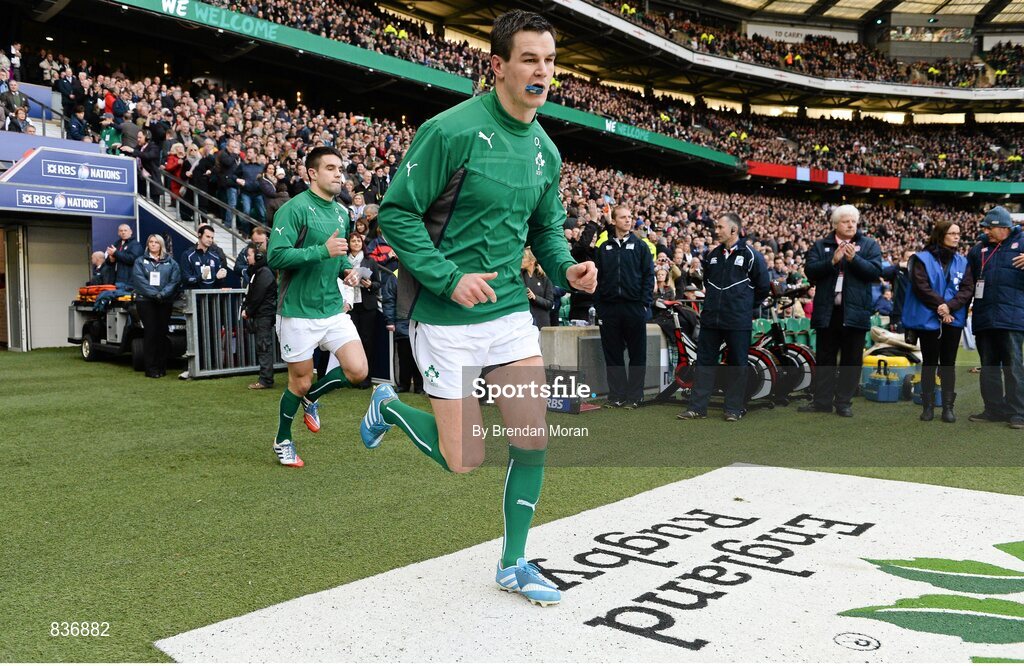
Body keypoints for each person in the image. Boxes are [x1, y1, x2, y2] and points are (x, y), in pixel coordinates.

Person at [364, 10, 597, 608]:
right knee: (463, 459)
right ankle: (388, 408)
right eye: (529, 59)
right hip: (445, 317)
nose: (542, 71)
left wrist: (564, 266)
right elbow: (396, 214)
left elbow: (545, 228)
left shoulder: (547, 150)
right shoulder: (451, 130)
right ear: (498, 66)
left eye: (549, 60)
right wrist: (448, 278)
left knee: (531, 438)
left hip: (512, 314)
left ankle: (514, 562)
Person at [266, 146, 367, 467]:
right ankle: (283, 438)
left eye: (341, 169)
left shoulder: (341, 212)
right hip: (297, 312)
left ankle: (313, 398)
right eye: (332, 168)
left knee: (358, 371)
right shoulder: (293, 209)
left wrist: (346, 271)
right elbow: (276, 257)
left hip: (333, 310)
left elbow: (334, 256)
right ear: (312, 173)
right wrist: (321, 251)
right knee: (300, 381)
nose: (340, 174)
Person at [678, 212, 769, 422]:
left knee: (738, 364)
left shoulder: (752, 255)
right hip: (711, 319)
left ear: (734, 230)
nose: (715, 230)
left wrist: (745, 306)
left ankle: (734, 408)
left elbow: (763, 287)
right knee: (704, 363)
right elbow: (708, 281)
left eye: (720, 227)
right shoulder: (712, 255)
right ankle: (697, 408)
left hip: (738, 320)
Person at [799, 204, 882, 418]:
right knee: (825, 358)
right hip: (828, 312)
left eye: (854, 221)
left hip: (855, 312)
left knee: (851, 360)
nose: (851, 225)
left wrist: (855, 259)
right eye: (846, 221)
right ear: (835, 224)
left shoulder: (869, 245)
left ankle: (844, 401)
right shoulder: (821, 245)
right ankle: (822, 401)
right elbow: (810, 271)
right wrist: (832, 261)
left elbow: (874, 272)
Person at [902, 219, 973, 423]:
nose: (957, 237)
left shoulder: (963, 261)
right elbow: (920, 286)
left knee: (948, 363)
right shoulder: (921, 259)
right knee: (929, 363)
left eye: (958, 233)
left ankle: (948, 408)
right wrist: (941, 306)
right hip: (929, 319)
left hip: (953, 318)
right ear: (941, 235)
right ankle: (928, 407)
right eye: (952, 233)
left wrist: (949, 307)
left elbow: (967, 288)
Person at [965, 206, 1024, 429]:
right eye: (985, 228)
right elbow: (968, 282)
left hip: (1012, 317)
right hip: (984, 316)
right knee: (988, 367)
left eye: (990, 228)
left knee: (1013, 367)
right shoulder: (978, 249)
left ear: (1004, 227)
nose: (986, 231)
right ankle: (993, 410)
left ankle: (1018, 412)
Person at [595, 204, 654, 409]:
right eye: (623, 217)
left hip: (634, 308)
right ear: (614, 221)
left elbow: (649, 276)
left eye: (630, 217)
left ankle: (635, 396)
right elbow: (598, 279)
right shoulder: (605, 248)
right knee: (613, 354)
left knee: (637, 354)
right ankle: (616, 395)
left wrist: (644, 303)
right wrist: (600, 305)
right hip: (609, 309)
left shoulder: (641, 246)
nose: (628, 220)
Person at [131, 235, 181, 378]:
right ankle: (151, 368)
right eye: (150, 242)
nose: (153, 245)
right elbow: (139, 281)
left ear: (161, 245)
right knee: (151, 333)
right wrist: (155, 294)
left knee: (162, 333)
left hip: (164, 301)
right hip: (146, 301)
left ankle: (161, 367)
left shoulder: (171, 262)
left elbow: (175, 280)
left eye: (156, 242)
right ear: (147, 245)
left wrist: (163, 294)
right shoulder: (140, 261)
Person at [345, 232, 380, 389]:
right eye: (353, 240)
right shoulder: (343, 261)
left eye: (358, 240)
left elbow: (378, 284)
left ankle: (367, 377)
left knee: (367, 341)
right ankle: (352, 377)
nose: (356, 243)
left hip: (367, 306)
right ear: (349, 244)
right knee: (352, 343)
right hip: (349, 306)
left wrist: (370, 285)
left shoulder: (370, 261)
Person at [242, 243, 278, 390]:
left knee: (264, 346)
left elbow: (257, 296)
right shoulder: (259, 272)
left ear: (258, 256)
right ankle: (265, 378)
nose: (247, 258)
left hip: (264, 315)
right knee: (262, 346)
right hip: (262, 314)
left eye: (249, 255)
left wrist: (248, 310)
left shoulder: (264, 273)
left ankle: (265, 380)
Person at [181, 225, 228, 289]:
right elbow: (186, 279)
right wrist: (201, 277)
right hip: (194, 297)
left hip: (211, 297)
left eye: (212, 238)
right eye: (208, 237)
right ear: (199, 235)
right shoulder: (188, 255)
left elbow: (219, 284)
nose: (210, 240)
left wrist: (219, 278)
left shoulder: (215, 257)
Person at [521, 247, 554, 329]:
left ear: (532, 261)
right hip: (524, 322)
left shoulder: (544, 277)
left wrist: (535, 297)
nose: (520, 260)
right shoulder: (519, 276)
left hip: (541, 322)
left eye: (523, 258)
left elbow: (549, 303)